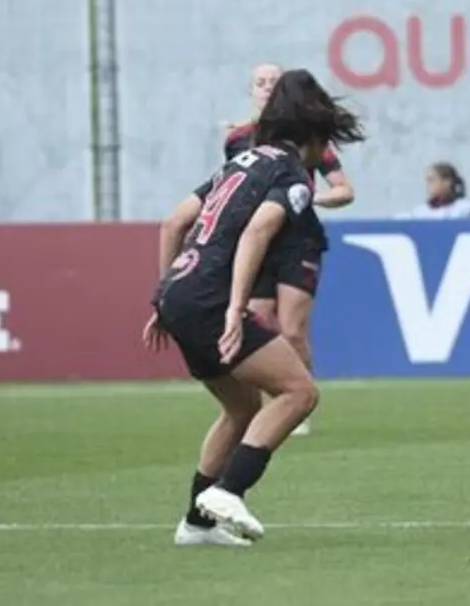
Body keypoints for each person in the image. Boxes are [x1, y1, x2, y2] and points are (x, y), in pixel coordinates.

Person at [146, 69, 365, 546]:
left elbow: (173, 223)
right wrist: (235, 308)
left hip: (180, 292)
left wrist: (163, 297)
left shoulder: (240, 161)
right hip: (210, 298)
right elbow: (258, 232)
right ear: (315, 132)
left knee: (241, 407)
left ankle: (196, 525)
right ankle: (229, 491)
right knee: (299, 392)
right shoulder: (293, 174)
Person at [225, 63, 356, 436]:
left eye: (273, 83)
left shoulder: (310, 139)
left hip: (300, 239)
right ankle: (271, 401)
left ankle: (300, 401)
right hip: (260, 239)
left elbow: (345, 189)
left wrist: (311, 198)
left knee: (293, 329)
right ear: (251, 90)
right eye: (259, 82)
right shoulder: (238, 139)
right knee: (257, 322)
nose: (266, 88)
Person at [404, 162, 470, 219]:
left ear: (446, 182)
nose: (428, 185)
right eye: (427, 181)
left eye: (431, 180)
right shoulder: (419, 212)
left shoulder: (466, 209)